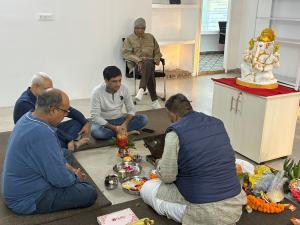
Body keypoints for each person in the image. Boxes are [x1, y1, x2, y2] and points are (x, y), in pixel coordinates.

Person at [140, 94, 247, 225]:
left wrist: (159, 164)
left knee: (147, 188)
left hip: (204, 213)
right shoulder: (217, 122)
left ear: (172, 115)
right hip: (234, 208)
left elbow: (168, 177)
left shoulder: (175, 132)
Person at [2, 88, 97, 214]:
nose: (66, 115)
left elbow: (56, 154)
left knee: (65, 153)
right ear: (53, 110)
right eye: (65, 111)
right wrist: (75, 176)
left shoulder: (29, 116)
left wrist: (70, 169)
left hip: (18, 183)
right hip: (27, 199)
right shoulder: (42, 133)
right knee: (88, 192)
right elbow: (60, 180)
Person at [13, 72, 90, 151]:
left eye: (51, 89)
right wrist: (68, 138)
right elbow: (42, 127)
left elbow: (67, 108)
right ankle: (70, 146)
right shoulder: (24, 104)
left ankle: (66, 145)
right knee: (52, 142)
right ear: (36, 87)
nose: (49, 91)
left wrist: (85, 122)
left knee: (76, 123)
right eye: (47, 89)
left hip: (47, 129)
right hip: (36, 136)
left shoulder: (44, 97)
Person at [90, 66, 148, 140]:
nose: (118, 84)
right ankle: (124, 132)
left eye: (120, 80)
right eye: (114, 81)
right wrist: (115, 128)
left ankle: (120, 131)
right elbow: (95, 116)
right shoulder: (96, 92)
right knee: (97, 132)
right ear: (106, 81)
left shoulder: (124, 88)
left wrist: (125, 124)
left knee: (144, 119)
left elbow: (131, 109)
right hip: (104, 122)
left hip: (119, 120)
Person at [122, 17, 162, 109]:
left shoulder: (150, 37)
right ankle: (154, 101)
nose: (140, 30)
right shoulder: (129, 39)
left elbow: (157, 51)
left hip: (149, 64)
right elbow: (126, 54)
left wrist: (157, 58)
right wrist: (138, 60)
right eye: (138, 28)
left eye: (142, 28)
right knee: (149, 67)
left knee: (148, 64)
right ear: (134, 28)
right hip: (136, 66)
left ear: (145, 28)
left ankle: (141, 89)